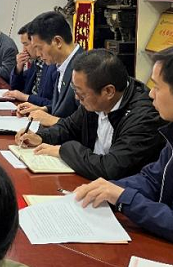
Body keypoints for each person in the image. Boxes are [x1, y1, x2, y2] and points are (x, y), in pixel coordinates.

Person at [74, 44, 173, 264]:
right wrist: (106, 190)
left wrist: (124, 198)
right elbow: (152, 179)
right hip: (172, 248)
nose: (150, 93)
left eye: (157, 87)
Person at [16, 49, 165, 180]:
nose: (77, 98)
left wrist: (64, 151)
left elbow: (111, 168)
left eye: (81, 94)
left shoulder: (144, 118)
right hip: (89, 180)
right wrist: (41, 137)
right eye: (75, 91)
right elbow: (69, 127)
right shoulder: (94, 101)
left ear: (108, 91)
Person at [17, 12, 83, 127]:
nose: (38, 54)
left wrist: (51, 119)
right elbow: (65, 108)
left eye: (39, 48)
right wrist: (44, 109)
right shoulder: (61, 64)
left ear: (57, 42)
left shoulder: (83, 69)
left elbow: (84, 124)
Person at [4, 22, 57, 106]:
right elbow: (16, 87)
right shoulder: (36, 62)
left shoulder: (53, 65)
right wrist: (19, 68)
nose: (23, 50)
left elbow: (53, 104)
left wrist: (25, 97)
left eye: (26, 44)